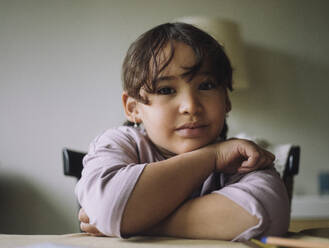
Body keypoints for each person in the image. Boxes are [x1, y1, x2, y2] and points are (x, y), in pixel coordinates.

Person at [75, 22, 290, 242]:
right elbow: (109, 206)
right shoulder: (120, 143)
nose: (190, 106)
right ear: (133, 108)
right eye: (166, 90)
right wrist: (211, 157)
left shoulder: (240, 156)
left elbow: (265, 217)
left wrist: (131, 221)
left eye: (206, 85)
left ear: (226, 100)